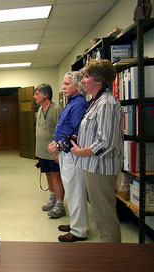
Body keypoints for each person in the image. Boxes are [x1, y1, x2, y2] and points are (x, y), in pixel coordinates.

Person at [70, 59, 123, 243]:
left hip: (100, 169)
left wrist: (80, 151)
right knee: (100, 215)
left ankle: (112, 261)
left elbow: (105, 142)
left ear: (98, 80)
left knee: (105, 216)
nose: (82, 81)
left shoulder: (107, 103)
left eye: (86, 76)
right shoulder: (95, 101)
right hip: (92, 167)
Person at [48, 72, 89, 242]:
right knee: (71, 190)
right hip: (66, 154)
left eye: (67, 84)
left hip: (73, 154)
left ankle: (79, 231)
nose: (63, 87)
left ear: (78, 86)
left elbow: (76, 134)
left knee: (75, 191)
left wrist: (57, 146)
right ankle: (75, 223)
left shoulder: (78, 104)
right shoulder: (71, 103)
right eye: (64, 84)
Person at [34, 83, 65, 218]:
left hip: (54, 151)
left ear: (45, 95)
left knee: (56, 176)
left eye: (37, 94)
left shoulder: (57, 109)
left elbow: (63, 131)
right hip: (42, 151)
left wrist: (59, 152)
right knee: (47, 174)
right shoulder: (40, 109)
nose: (34, 97)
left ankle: (59, 205)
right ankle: (52, 199)